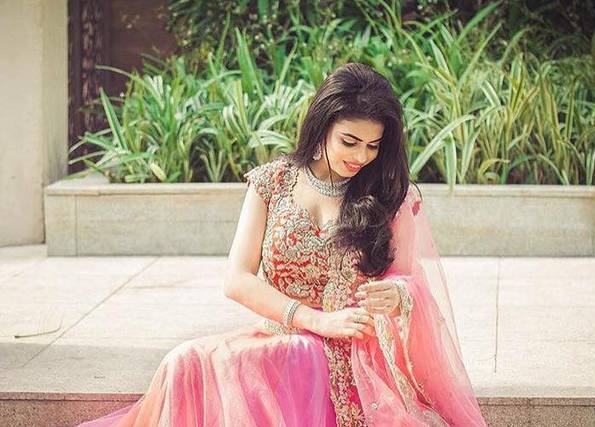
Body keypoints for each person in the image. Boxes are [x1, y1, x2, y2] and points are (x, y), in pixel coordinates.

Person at [77, 62, 487, 426]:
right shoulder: (272, 182)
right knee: (183, 361)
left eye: (373, 146)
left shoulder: (390, 194)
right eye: (350, 141)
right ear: (323, 125)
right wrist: (313, 320)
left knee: (301, 357)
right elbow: (237, 279)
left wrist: (397, 294)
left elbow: (409, 279)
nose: (362, 156)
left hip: (354, 354)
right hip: (281, 332)